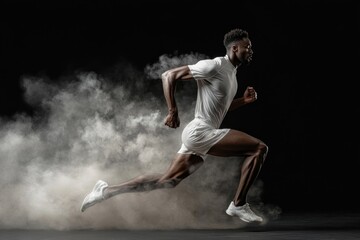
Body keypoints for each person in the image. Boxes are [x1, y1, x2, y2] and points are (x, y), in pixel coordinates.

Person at [80, 28, 268, 223]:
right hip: (200, 132)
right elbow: (168, 75)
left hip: (202, 133)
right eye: (248, 47)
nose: (251, 50)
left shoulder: (231, 74)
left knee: (168, 181)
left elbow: (221, 108)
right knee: (259, 149)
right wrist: (172, 111)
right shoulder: (215, 66)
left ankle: (105, 191)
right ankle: (238, 205)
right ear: (235, 48)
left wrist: (243, 102)